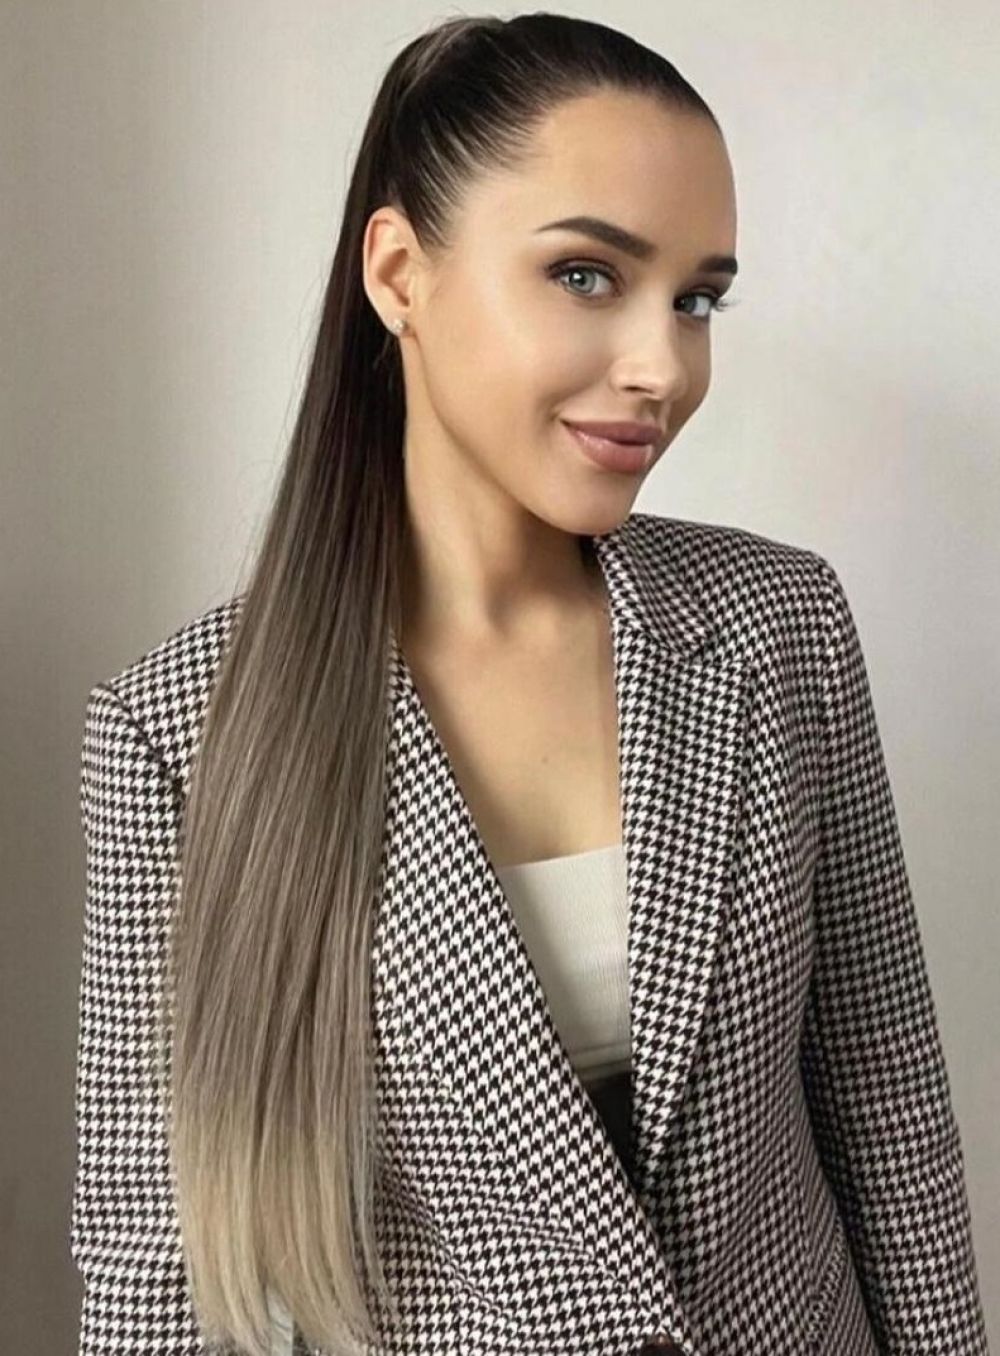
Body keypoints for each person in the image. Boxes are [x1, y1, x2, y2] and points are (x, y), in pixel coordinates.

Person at [71, 13, 989, 1356]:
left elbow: (887, 1104)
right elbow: (152, 1259)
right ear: (400, 273)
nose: (663, 368)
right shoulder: (179, 731)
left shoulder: (779, 625)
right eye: (584, 275)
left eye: (696, 299)